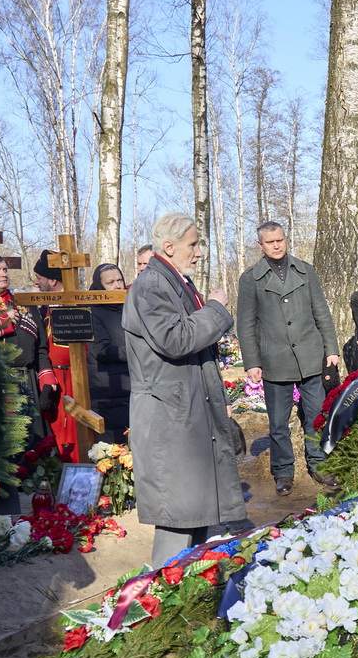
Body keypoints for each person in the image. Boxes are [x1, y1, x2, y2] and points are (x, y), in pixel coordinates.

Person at [125, 211, 245, 566]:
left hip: (185, 412)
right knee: (178, 517)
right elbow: (175, 340)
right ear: (168, 247)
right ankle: (163, 590)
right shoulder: (151, 285)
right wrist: (216, 309)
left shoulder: (174, 281)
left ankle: (193, 589)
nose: (199, 252)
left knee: (198, 511)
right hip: (169, 417)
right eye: (193, 245)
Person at [236, 220, 341, 495]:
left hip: (310, 356)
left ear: (285, 239)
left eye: (280, 240)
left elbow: (321, 312)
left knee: (316, 415)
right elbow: (245, 324)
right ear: (260, 245)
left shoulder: (305, 271)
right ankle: (283, 472)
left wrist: (331, 349)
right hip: (274, 359)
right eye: (270, 242)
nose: (276, 246)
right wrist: (252, 362)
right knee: (278, 422)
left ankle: (319, 464)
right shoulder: (251, 278)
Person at [0, 251, 49, 447]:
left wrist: (45, 373)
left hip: (28, 378)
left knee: (34, 440)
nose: (4, 274)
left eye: (5, 270)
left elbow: (41, 342)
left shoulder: (22, 300)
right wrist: (0, 321)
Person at [31, 250, 80, 461]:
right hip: (51, 377)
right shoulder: (45, 308)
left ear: (52, 281)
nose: (36, 282)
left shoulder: (73, 306)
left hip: (72, 379)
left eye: (39, 277)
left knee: (72, 434)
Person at [88, 262, 130, 443]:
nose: (117, 286)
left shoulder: (129, 307)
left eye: (119, 280)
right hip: (108, 392)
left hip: (132, 388)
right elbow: (100, 350)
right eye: (110, 283)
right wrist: (136, 352)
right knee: (114, 448)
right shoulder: (93, 311)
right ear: (99, 286)